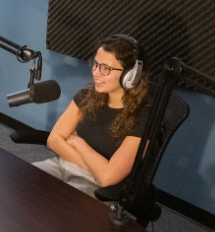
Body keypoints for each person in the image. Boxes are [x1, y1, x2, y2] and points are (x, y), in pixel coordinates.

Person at [33, 34, 151, 195]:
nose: (96, 72)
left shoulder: (142, 119)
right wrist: (99, 168)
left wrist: (77, 142)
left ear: (130, 76)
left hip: (96, 186)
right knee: (23, 184)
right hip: (61, 164)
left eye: (105, 68)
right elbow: (53, 140)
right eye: (95, 64)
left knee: (54, 209)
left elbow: (108, 179)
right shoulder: (87, 95)